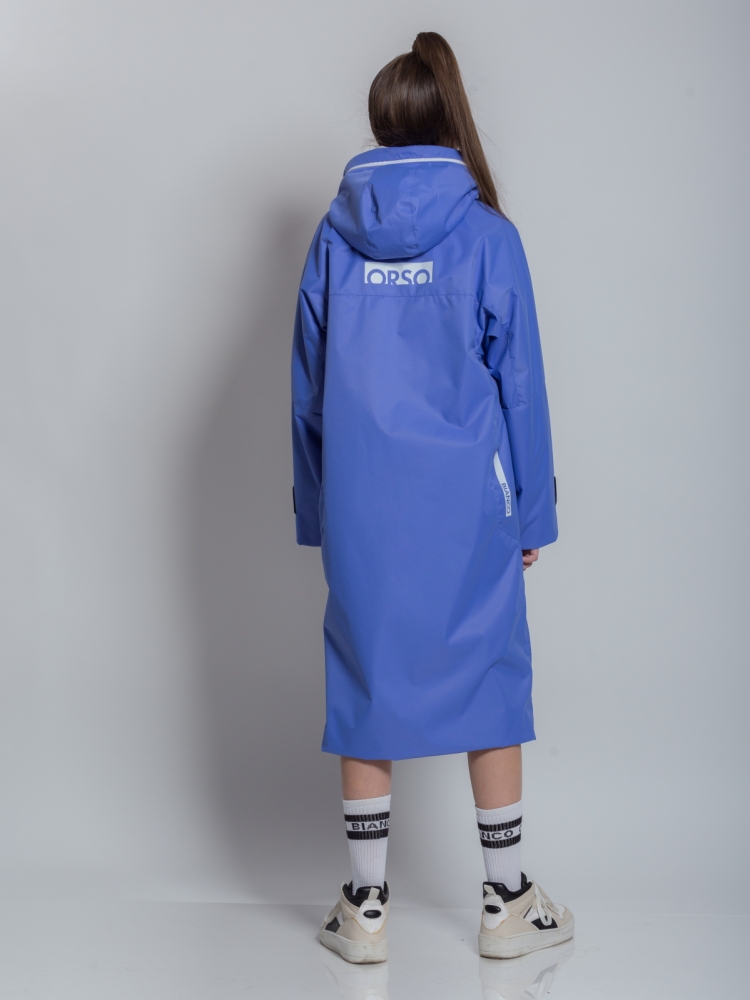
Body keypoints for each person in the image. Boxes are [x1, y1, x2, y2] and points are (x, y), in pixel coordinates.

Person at [291, 31, 573, 964]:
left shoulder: (332, 240)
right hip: (467, 512)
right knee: (489, 683)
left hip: (362, 510)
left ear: (381, 124)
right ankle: (506, 903)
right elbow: (521, 387)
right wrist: (531, 512)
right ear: (450, 117)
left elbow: (306, 392)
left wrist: (316, 511)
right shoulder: (488, 236)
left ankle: (366, 910)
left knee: (364, 681)